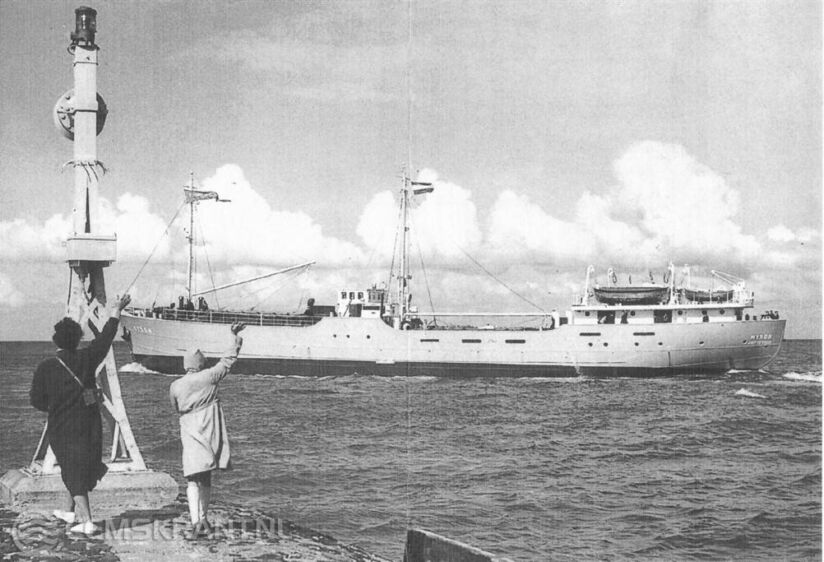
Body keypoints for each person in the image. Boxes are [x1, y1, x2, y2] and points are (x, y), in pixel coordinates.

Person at [30, 294, 132, 535]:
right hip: (89, 423)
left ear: (56, 340)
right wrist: (116, 310)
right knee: (79, 465)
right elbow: (106, 338)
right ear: (78, 339)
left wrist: (55, 406)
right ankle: (69, 511)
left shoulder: (47, 366)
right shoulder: (87, 357)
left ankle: (87, 521)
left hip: (62, 425)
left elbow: (36, 401)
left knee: (71, 467)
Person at [170, 322, 246, 540]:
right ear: (201, 363)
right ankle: (203, 519)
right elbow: (228, 361)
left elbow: (175, 408)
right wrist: (234, 338)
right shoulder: (210, 377)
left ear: (185, 365)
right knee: (206, 478)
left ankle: (195, 522)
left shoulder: (175, 385)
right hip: (209, 429)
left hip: (189, 430)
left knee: (192, 478)